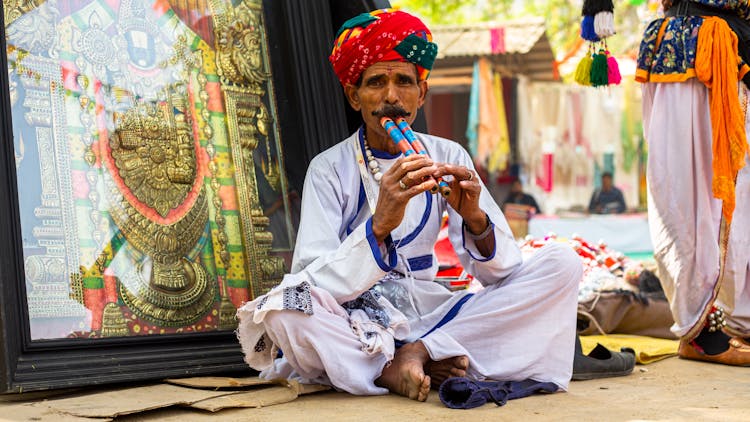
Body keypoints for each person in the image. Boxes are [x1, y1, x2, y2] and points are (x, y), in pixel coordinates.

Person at [236, 9, 582, 402]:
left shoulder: (448, 155)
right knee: (284, 309)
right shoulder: (329, 167)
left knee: (562, 263)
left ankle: (420, 354)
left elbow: (501, 273)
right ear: (354, 96)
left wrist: (475, 219)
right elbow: (310, 280)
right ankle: (388, 367)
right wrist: (378, 226)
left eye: (404, 81)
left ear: (422, 93)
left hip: (434, 312)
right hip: (357, 321)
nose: (391, 97)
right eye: (376, 83)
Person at [637, 0, 750, 365]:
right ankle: (700, 332)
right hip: (690, 49)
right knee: (689, 195)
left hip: (738, 53)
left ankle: (738, 322)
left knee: (742, 195)